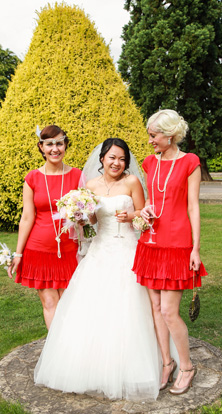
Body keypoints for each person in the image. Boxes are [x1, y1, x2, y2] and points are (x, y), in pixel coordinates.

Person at [33, 138, 173, 400]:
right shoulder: (90, 185)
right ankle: (92, 365)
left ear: (126, 162)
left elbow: (144, 213)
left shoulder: (132, 182)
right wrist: (80, 215)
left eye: (121, 159)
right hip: (100, 248)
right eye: (112, 158)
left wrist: (131, 216)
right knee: (94, 306)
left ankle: (146, 363)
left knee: (131, 306)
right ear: (102, 159)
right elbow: (94, 219)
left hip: (128, 249)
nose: (116, 163)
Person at [133, 109, 207, 395]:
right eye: (150, 135)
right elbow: (152, 198)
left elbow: (193, 207)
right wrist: (146, 212)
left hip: (177, 244)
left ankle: (186, 366)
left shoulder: (190, 162)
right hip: (150, 242)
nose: (150, 140)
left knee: (169, 311)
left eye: (154, 135)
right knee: (154, 308)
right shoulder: (150, 163)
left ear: (170, 134)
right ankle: (167, 363)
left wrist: (196, 248)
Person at [8, 125, 84, 329]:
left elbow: (88, 212)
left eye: (59, 143)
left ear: (66, 145)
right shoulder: (32, 178)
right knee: (50, 304)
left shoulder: (78, 176)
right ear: (41, 147)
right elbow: (26, 217)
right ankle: (56, 355)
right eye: (49, 144)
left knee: (71, 303)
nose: (55, 149)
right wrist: (18, 254)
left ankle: (72, 350)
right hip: (39, 250)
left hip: (70, 250)